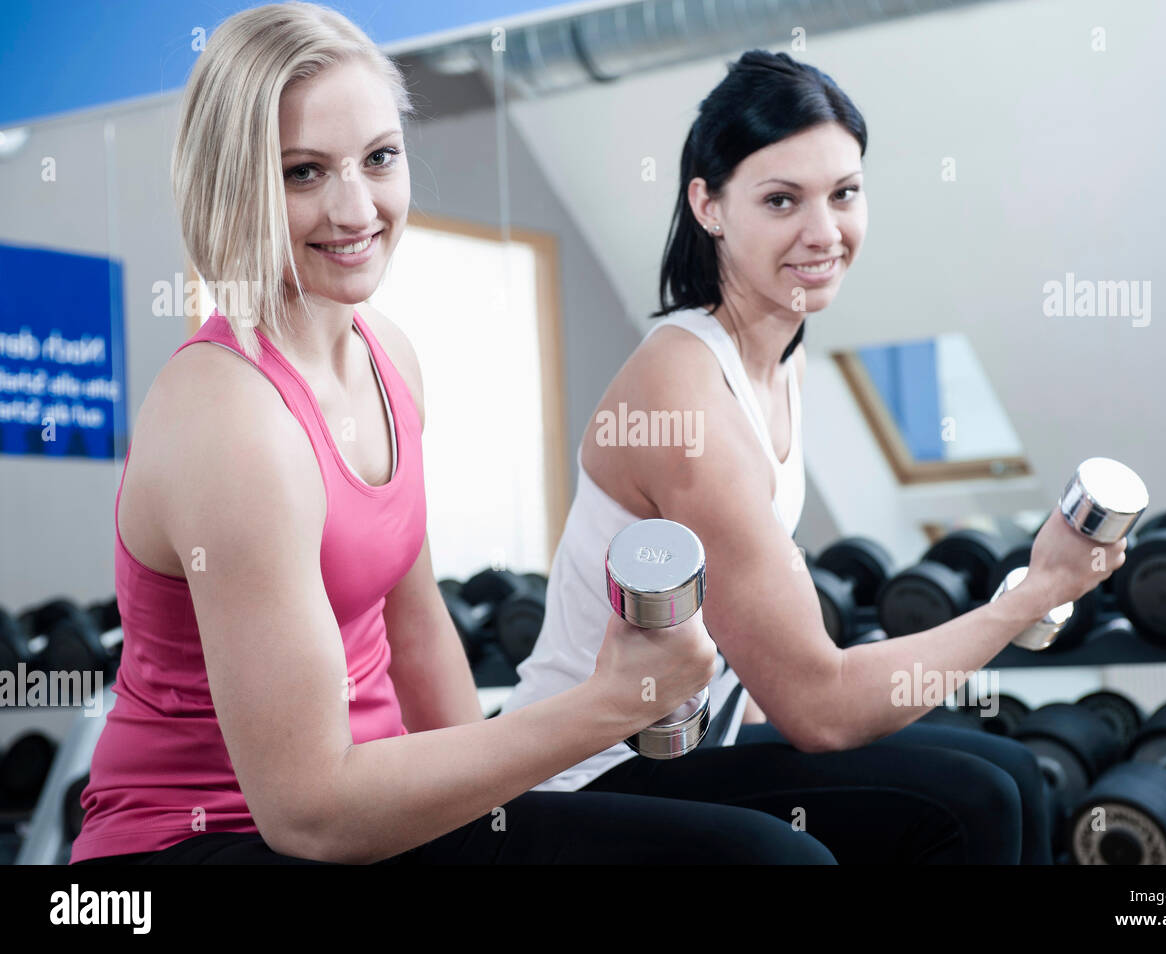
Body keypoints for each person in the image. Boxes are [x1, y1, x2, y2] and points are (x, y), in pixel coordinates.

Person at [71, 1, 835, 866]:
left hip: (378, 798)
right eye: (303, 173)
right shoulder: (230, 419)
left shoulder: (387, 356)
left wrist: (512, 819)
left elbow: (414, 623)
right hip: (198, 845)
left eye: (379, 158)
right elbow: (309, 813)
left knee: (772, 856)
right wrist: (608, 705)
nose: (356, 207)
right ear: (232, 182)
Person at [501, 49, 1127, 863]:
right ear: (709, 206)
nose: (824, 232)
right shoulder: (680, 392)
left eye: (845, 193)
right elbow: (820, 708)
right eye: (781, 199)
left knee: (1009, 770)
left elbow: (764, 650)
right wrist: (1033, 595)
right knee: (965, 802)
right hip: (587, 769)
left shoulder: (783, 352)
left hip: (702, 742)